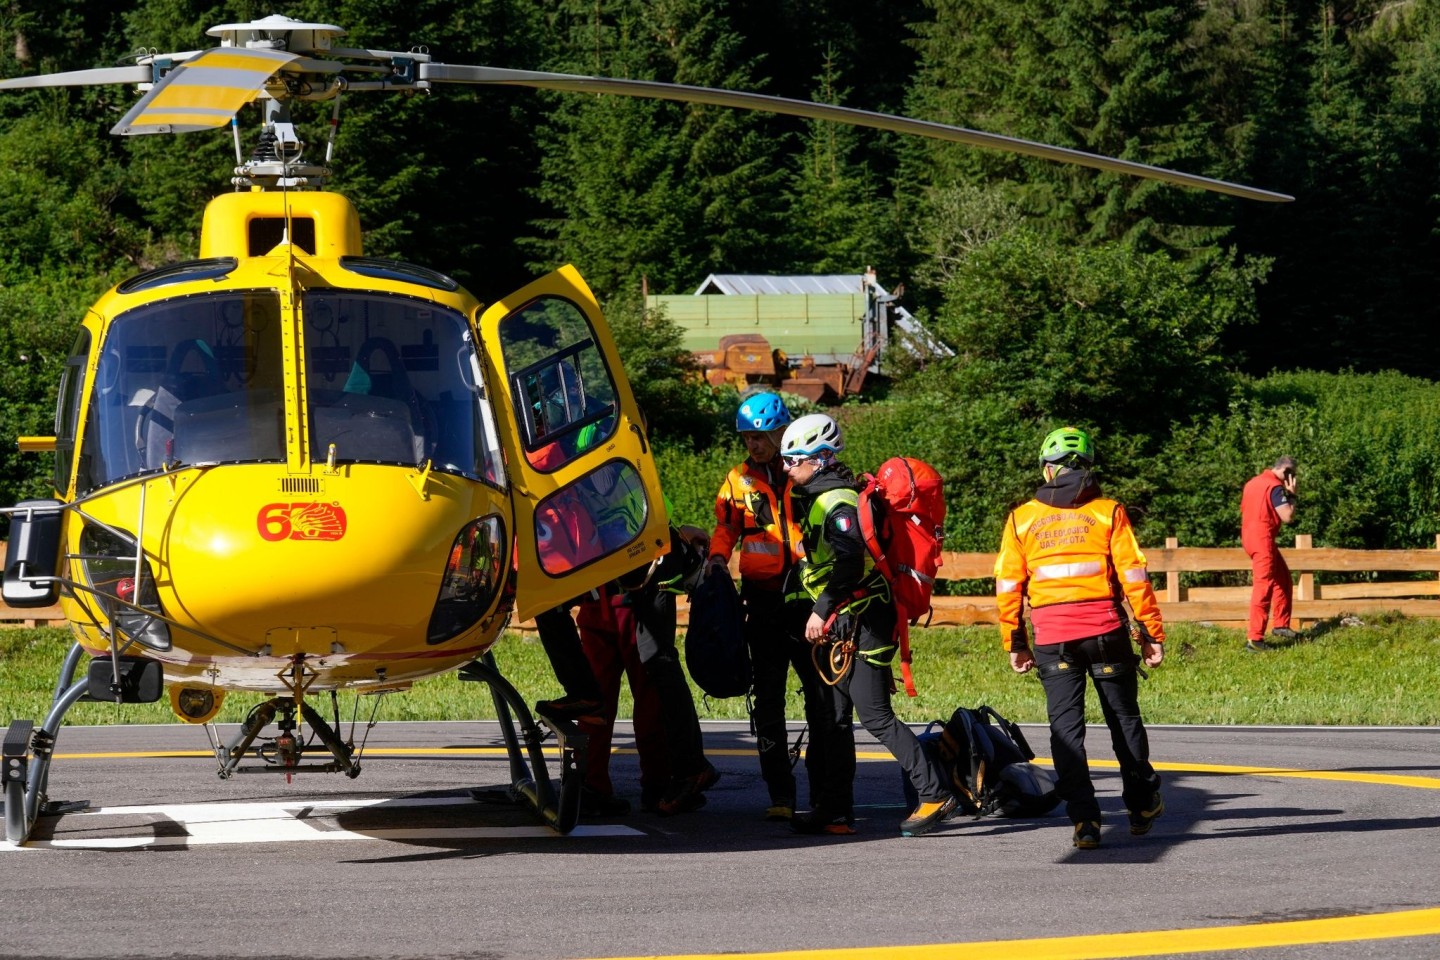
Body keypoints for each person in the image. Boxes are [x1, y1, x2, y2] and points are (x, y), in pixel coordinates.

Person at [779, 412, 957, 837]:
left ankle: (934, 791)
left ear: (819, 459)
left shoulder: (836, 500)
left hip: (865, 617)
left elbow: (849, 563)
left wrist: (821, 609)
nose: (786, 468)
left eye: (793, 460)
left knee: (874, 714)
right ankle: (836, 808)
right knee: (833, 716)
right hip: (847, 619)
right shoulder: (821, 496)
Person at [993, 426, 1166, 850]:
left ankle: (1085, 822)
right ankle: (1141, 802)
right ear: (1087, 467)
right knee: (1123, 720)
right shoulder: (1109, 511)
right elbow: (1133, 576)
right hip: (1106, 632)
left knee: (1066, 732)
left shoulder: (1022, 518)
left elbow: (1008, 586)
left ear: (1047, 470)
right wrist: (1149, 633)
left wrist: (1016, 643)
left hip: (1054, 640)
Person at [707, 392, 822, 821]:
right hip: (762, 601)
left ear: (780, 432)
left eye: (760, 436)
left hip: (807, 599)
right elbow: (726, 526)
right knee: (769, 698)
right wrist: (718, 557)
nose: (753, 445)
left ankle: (823, 789)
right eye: (747, 437)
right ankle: (781, 794)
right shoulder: (737, 479)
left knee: (819, 695)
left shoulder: (804, 470)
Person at [1241, 456, 1299, 652]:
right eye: (1292, 474)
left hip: (1249, 537)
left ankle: (1281, 625)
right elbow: (1288, 516)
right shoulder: (1274, 487)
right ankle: (1255, 639)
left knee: (1282, 578)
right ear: (1286, 472)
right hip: (1262, 538)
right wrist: (1291, 495)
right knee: (1263, 586)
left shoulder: (1252, 483)